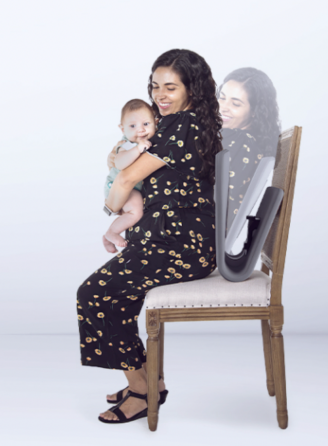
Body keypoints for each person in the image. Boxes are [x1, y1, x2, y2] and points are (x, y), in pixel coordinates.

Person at [79, 49, 222, 424]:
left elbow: (125, 178)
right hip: (176, 242)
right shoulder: (179, 124)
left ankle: (142, 391)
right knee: (116, 296)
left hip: (180, 246)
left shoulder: (181, 125)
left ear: (192, 89)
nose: (160, 94)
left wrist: (112, 210)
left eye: (170, 87)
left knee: (95, 293)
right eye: (155, 86)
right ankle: (149, 382)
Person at [218, 68, 281, 231]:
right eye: (222, 98)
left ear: (255, 111)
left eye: (235, 103)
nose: (223, 107)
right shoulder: (248, 143)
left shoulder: (238, 141)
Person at [102, 99, 157, 254]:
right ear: (122, 129)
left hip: (134, 187)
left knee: (135, 211)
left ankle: (107, 238)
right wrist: (137, 149)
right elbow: (119, 163)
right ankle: (112, 232)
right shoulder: (127, 144)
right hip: (118, 187)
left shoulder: (151, 140)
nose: (140, 130)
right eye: (133, 126)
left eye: (146, 124)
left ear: (155, 122)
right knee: (135, 212)